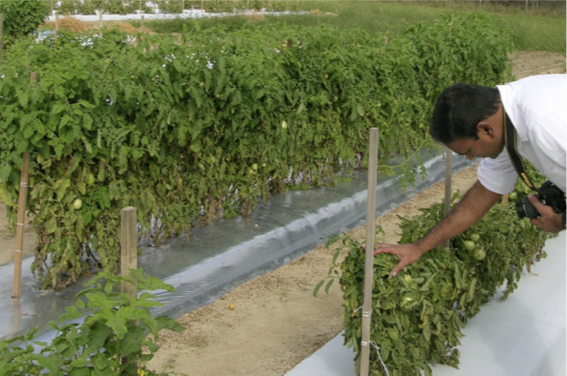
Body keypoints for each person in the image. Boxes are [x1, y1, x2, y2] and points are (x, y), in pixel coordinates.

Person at [375, 74, 567, 277]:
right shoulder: (505, 120)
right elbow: (484, 193)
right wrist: (419, 247)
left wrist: (562, 221)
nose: (469, 158)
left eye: (467, 150)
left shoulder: (546, 125)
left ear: (485, 129)